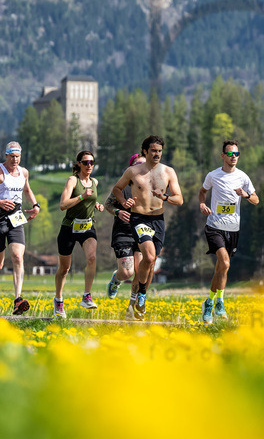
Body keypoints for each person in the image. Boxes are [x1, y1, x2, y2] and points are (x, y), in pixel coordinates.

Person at [110, 135, 183, 321]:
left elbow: (179, 199)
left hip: (158, 220)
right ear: (145, 151)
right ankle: (141, 294)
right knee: (149, 256)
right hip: (139, 218)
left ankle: (141, 296)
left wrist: (165, 197)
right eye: (153, 151)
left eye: (159, 151)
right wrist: (124, 202)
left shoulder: (168, 172)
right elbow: (117, 189)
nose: (157, 154)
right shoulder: (133, 171)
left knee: (150, 263)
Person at [0, 141, 42, 316]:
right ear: (6, 155)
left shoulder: (24, 172)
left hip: (16, 217)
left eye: (18, 156)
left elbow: (27, 190)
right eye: (11, 156)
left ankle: (18, 299)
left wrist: (35, 205)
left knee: (18, 256)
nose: (15, 160)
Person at [198, 140, 259, 324]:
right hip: (214, 226)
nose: (234, 157)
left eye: (237, 154)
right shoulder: (213, 175)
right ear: (223, 156)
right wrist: (202, 204)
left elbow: (256, 199)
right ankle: (220, 303)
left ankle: (209, 302)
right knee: (224, 263)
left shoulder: (243, 177)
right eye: (230, 154)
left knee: (221, 267)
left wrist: (246, 195)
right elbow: (202, 191)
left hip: (233, 229)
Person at [53, 150, 106, 318]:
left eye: (92, 162)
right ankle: (59, 300)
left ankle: (86, 296)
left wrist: (96, 204)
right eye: (85, 162)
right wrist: (82, 197)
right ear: (78, 164)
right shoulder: (73, 181)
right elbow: (63, 204)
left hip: (87, 227)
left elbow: (91, 198)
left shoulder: (94, 182)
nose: (89, 165)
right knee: (64, 268)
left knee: (91, 258)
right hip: (69, 227)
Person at [104, 153, 146, 299]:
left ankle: (133, 304)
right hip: (123, 233)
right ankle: (116, 280)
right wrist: (118, 212)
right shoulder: (122, 186)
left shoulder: (150, 186)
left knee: (140, 272)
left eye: (143, 164)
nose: (140, 167)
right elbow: (107, 205)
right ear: (130, 168)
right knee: (127, 272)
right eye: (137, 164)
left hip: (141, 233)